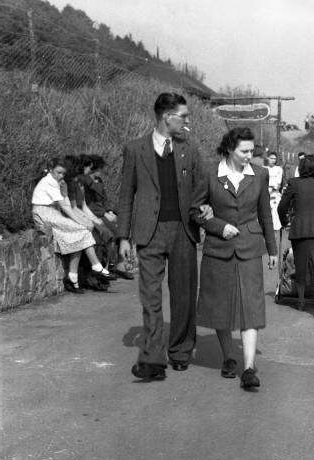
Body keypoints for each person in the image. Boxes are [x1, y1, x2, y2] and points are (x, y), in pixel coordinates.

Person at [117, 92, 209, 381]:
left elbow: (202, 185)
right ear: (166, 117)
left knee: (183, 295)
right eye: (183, 116)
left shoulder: (189, 149)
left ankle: (180, 351)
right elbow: (125, 195)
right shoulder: (134, 149)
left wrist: (201, 207)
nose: (187, 121)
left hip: (183, 231)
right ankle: (152, 359)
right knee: (151, 298)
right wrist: (123, 236)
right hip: (149, 232)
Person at [190, 127, 278, 389]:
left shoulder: (260, 175)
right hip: (219, 247)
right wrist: (218, 226)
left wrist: (272, 250)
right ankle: (229, 355)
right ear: (230, 149)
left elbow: (265, 215)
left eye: (252, 151)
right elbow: (195, 209)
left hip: (250, 247)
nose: (249, 156)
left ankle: (249, 367)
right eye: (244, 151)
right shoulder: (210, 173)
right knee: (221, 305)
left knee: (250, 306)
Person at [31, 158, 112, 293]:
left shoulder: (57, 183)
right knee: (83, 229)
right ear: (51, 170)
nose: (61, 176)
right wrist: (82, 222)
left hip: (53, 212)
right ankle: (96, 265)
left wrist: (64, 192)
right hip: (44, 212)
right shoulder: (49, 182)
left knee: (78, 236)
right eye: (58, 172)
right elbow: (66, 208)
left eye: (63, 173)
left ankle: (72, 277)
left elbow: (66, 205)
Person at [277, 154, 314, 319]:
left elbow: (282, 207)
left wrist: (285, 221)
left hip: (299, 231)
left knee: (301, 266)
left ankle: (301, 301)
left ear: (301, 167)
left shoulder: (294, 183)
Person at [79, 154, 133, 278]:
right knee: (112, 232)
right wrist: (104, 214)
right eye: (100, 169)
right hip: (94, 213)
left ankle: (120, 265)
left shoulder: (99, 181)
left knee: (123, 226)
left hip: (102, 211)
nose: (102, 172)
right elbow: (88, 204)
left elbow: (104, 199)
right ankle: (106, 267)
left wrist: (109, 211)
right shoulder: (85, 181)